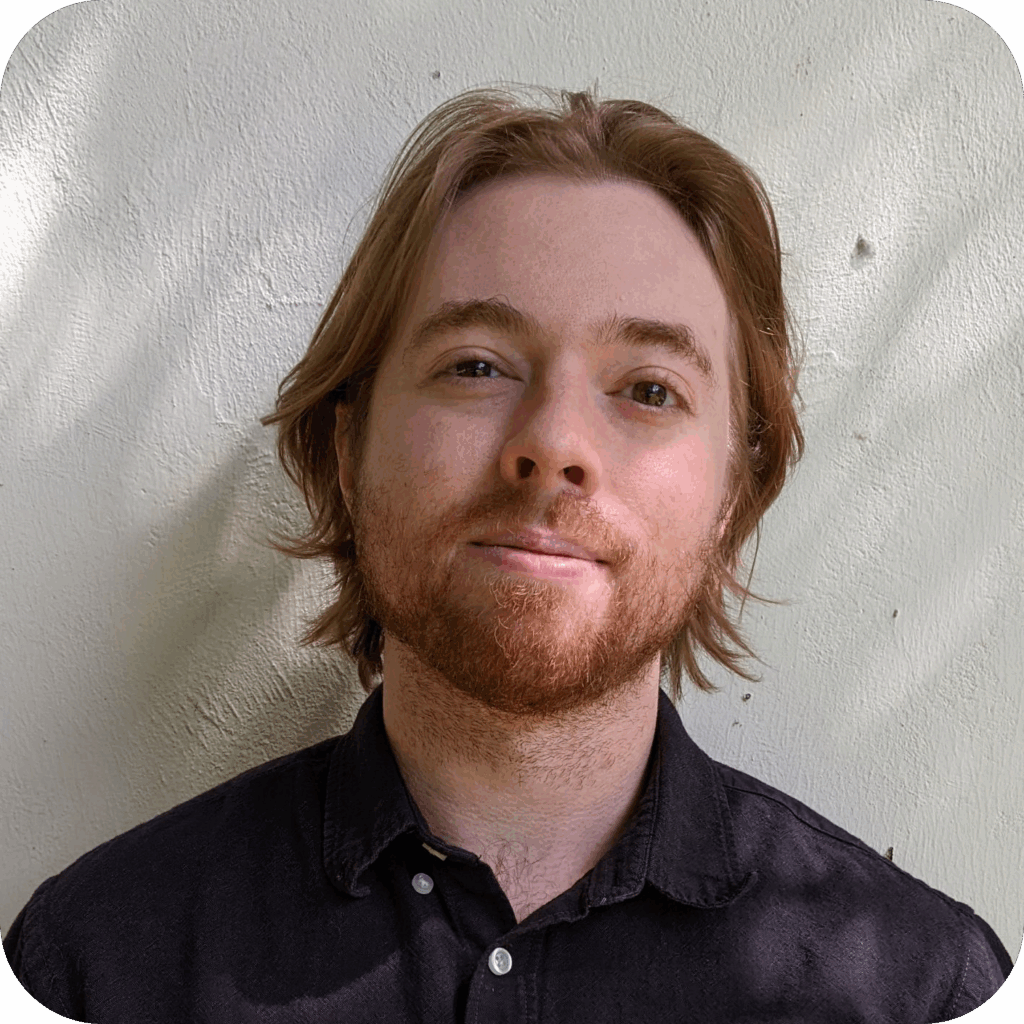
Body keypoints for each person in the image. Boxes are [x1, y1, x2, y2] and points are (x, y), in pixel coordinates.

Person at [4, 83, 1012, 1022]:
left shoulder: (926, 990)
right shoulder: (94, 967)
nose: (555, 444)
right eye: (476, 366)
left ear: (729, 498)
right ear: (349, 452)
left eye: (648, 388)